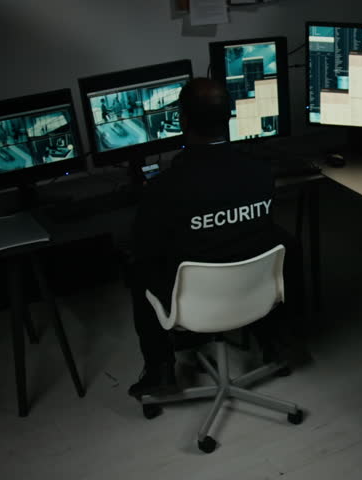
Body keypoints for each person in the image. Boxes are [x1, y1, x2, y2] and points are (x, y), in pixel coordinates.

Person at [127, 78, 306, 399]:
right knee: (274, 239)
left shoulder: (164, 189)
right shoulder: (260, 173)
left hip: (195, 307)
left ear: (182, 121)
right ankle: (275, 341)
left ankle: (160, 370)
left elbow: (145, 249)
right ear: (229, 117)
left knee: (138, 268)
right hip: (254, 294)